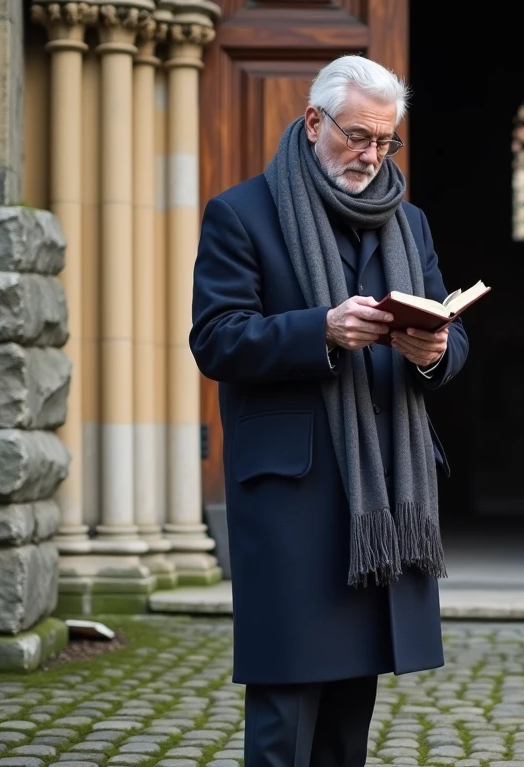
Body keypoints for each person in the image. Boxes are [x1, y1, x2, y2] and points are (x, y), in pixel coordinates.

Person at [189, 54, 467, 767]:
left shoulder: (410, 223)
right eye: (357, 137)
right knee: (287, 709)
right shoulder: (241, 213)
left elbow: (453, 343)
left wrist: (432, 349)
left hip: (383, 496)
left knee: (350, 713)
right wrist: (320, 330)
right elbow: (216, 340)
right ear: (315, 122)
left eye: (385, 141)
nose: (371, 155)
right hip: (294, 495)